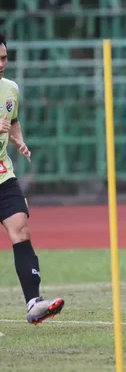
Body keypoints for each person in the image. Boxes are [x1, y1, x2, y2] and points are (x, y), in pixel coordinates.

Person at [0, 34, 65, 324]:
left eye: (4, 58)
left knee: (21, 231)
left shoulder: (11, 89)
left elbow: (13, 121)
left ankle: (34, 303)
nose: (2, 64)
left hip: (2, 173)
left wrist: (18, 141)